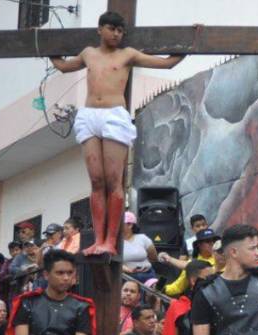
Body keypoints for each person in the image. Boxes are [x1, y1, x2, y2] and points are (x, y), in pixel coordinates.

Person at [48, 11, 184, 255]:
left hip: (113, 115)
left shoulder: (127, 54)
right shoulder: (89, 53)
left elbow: (167, 62)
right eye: (112, 29)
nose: (117, 34)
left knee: (113, 181)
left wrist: (190, 42)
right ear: (100, 29)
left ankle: (110, 240)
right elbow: (62, 66)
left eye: (120, 31)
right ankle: (98, 239)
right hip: (89, 115)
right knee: (96, 181)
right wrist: (44, 43)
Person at [162, 228, 220, 297]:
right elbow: (178, 287)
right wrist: (161, 289)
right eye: (208, 241)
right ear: (199, 245)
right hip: (204, 299)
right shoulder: (193, 263)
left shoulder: (221, 257)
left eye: (214, 240)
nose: (212, 243)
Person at [121, 212, 158, 282]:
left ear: (130, 225)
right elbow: (114, 263)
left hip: (148, 275)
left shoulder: (143, 238)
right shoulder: (116, 242)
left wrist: (145, 266)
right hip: (127, 277)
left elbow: (153, 257)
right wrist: (128, 270)